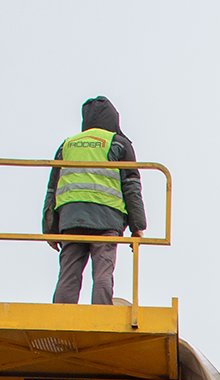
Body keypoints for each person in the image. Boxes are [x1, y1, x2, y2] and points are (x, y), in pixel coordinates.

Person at [43, 96, 147, 305]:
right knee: (103, 272)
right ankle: (102, 314)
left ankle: (60, 315)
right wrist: (138, 226)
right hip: (106, 219)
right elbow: (131, 187)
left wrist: (49, 228)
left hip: (71, 218)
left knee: (68, 274)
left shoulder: (67, 145)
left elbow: (52, 189)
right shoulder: (118, 143)